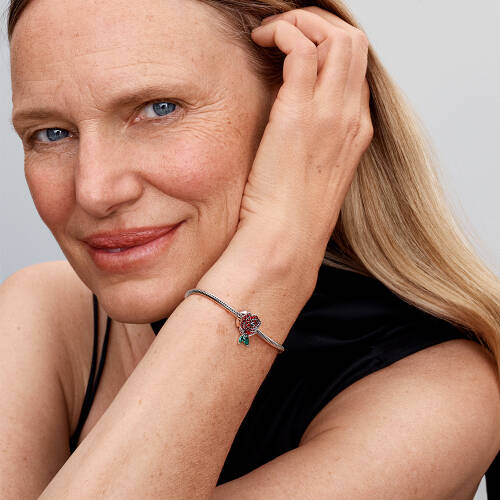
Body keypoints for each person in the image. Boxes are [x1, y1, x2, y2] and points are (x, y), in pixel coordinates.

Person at [1, 0, 499, 498]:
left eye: (159, 109)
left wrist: (277, 246)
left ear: (300, 109)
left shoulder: (442, 394)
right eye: (51, 133)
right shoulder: (47, 312)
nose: (94, 191)